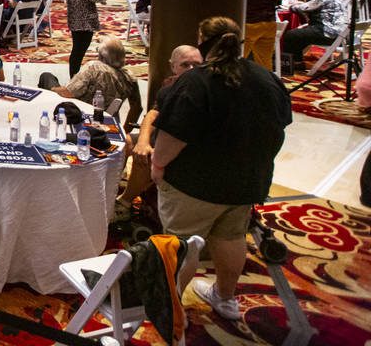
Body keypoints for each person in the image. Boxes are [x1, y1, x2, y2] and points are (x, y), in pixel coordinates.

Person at [152, 16, 292, 321]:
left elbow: (173, 136)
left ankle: (171, 307)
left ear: (201, 38)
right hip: (246, 182)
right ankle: (225, 298)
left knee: (182, 244)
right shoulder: (266, 77)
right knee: (231, 238)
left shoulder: (197, 81)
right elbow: (279, 131)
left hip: (195, 183)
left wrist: (158, 165)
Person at [119, 45, 202, 206]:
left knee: (147, 154)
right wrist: (142, 141)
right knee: (125, 142)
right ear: (173, 67)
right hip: (164, 137)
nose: (192, 69)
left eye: (197, 65)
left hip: (185, 147)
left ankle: (125, 202)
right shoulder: (170, 85)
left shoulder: (203, 89)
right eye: (185, 65)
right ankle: (114, 188)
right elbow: (153, 113)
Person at [40, 35, 142, 116]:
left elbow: (67, 93)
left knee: (47, 77)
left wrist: (52, 89)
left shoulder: (94, 68)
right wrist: (125, 131)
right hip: (107, 116)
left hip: (78, 111)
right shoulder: (130, 77)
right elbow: (137, 109)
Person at [282, 0, 347, 72]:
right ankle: (297, 61)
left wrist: (289, 7)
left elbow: (301, 8)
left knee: (290, 35)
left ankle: (294, 63)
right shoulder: (337, 1)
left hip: (327, 34)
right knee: (301, 34)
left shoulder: (321, 0)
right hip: (341, 36)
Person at [66, 0, 104, 77]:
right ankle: (74, 77)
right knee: (79, 52)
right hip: (85, 22)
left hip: (76, 20)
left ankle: (74, 76)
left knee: (76, 51)